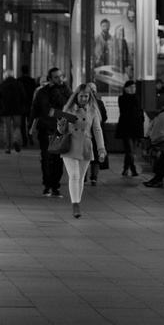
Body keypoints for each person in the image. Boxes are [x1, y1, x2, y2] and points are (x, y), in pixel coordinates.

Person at [62, 84, 107, 217]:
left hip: (86, 145)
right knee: (74, 175)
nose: (83, 99)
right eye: (81, 96)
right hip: (70, 144)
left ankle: (78, 201)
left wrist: (101, 148)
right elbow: (61, 131)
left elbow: (97, 130)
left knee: (81, 177)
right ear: (76, 95)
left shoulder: (93, 110)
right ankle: (75, 205)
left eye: (86, 96)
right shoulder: (68, 108)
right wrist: (60, 124)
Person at [29, 66, 71, 196]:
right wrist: (30, 127)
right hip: (45, 128)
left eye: (60, 76)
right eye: (56, 77)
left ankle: (55, 186)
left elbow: (64, 103)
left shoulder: (66, 91)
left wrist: (55, 90)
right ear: (50, 79)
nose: (59, 79)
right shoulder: (42, 92)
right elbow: (35, 110)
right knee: (46, 157)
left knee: (58, 159)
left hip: (60, 129)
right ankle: (47, 184)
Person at [0, 70, 27, 153]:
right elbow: (24, 96)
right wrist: (22, 106)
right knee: (17, 126)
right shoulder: (18, 84)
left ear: (5, 76)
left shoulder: (2, 85)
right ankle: (16, 140)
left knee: (7, 128)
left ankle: (7, 147)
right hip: (17, 109)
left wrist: (0, 105)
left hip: (6, 110)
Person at [116, 79, 143, 177]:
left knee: (129, 151)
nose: (133, 89)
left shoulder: (136, 98)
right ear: (126, 88)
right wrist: (129, 96)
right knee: (130, 150)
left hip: (135, 127)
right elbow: (126, 110)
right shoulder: (122, 98)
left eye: (134, 87)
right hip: (126, 127)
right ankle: (133, 169)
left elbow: (138, 111)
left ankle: (125, 168)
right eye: (131, 87)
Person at [86, 81, 108, 185]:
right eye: (91, 88)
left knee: (94, 156)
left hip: (96, 133)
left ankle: (93, 176)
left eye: (94, 89)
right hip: (86, 134)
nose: (93, 91)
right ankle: (86, 176)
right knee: (86, 155)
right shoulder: (94, 103)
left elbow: (104, 117)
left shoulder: (99, 103)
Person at [18, 65, 37, 146]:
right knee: (30, 122)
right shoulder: (32, 81)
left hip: (21, 105)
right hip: (30, 105)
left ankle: (24, 140)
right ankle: (30, 136)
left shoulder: (18, 81)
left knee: (22, 124)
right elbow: (35, 93)